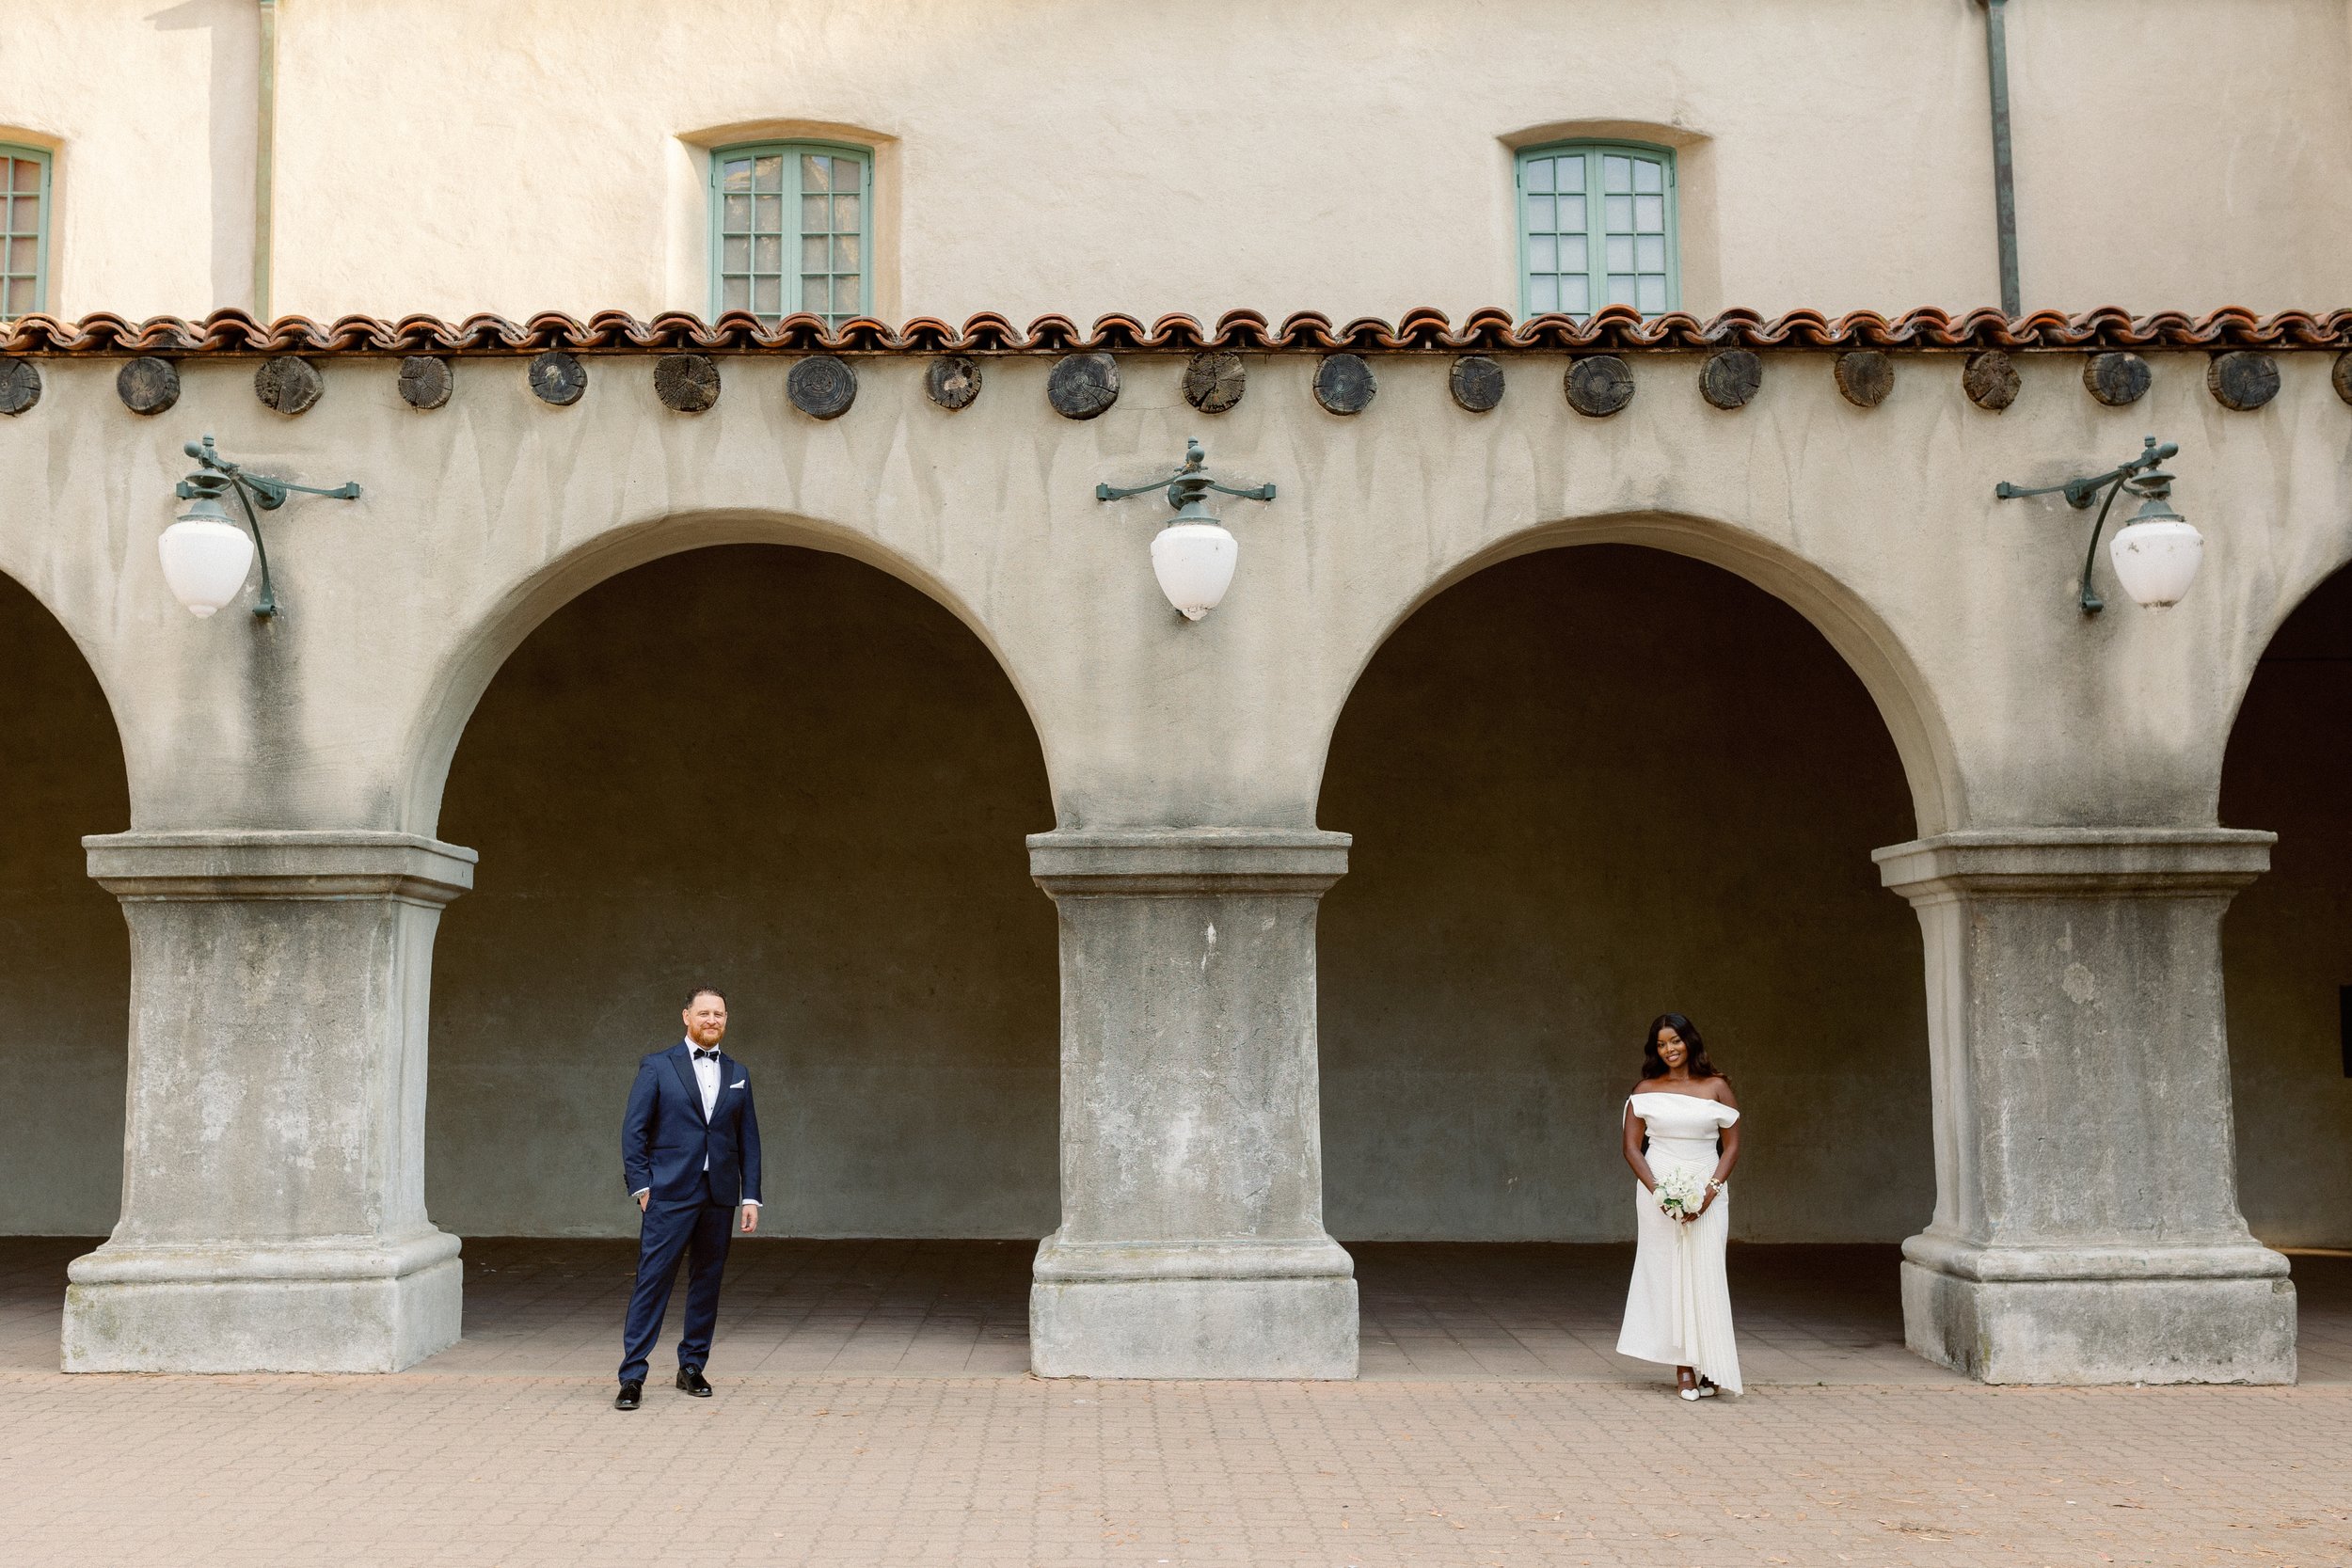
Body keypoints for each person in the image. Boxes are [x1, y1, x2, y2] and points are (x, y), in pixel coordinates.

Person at [614, 985, 763, 1411]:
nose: (712, 1020)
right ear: (686, 1016)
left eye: (719, 1014)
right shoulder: (657, 1066)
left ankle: (692, 1365)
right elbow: (634, 1131)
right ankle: (632, 1376)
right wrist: (642, 1187)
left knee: (707, 1281)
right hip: (668, 1192)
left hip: (718, 1194)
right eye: (704, 1013)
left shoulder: (739, 1071)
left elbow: (747, 1139)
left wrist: (750, 1196)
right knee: (652, 1280)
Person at [1616, 1011, 1742, 1400]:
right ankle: (1684, 1368)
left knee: (1705, 1273)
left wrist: (1711, 1189)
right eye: (1661, 1044)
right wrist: (1660, 1192)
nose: (1669, 1049)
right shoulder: (1645, 1088)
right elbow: (1631, 1148)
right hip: (1658, 1188)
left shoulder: (1717, 1086)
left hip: (1709, 1186)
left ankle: (1710, 1367)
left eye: (1675, 1041)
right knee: (1669, 1276)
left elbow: (1732, 1145)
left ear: (1690, 1041)